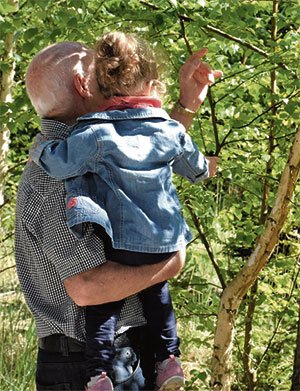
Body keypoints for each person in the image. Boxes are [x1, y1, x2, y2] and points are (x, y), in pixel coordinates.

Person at [29, 33, 221, 391]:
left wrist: (187, 106)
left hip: (114, 357)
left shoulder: (86, 143)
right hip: (89, 363)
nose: (113, 78)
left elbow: (143, 146)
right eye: (104, 72)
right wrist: (170, 263)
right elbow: (88, 288)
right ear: (83, 84)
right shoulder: (56, 172)